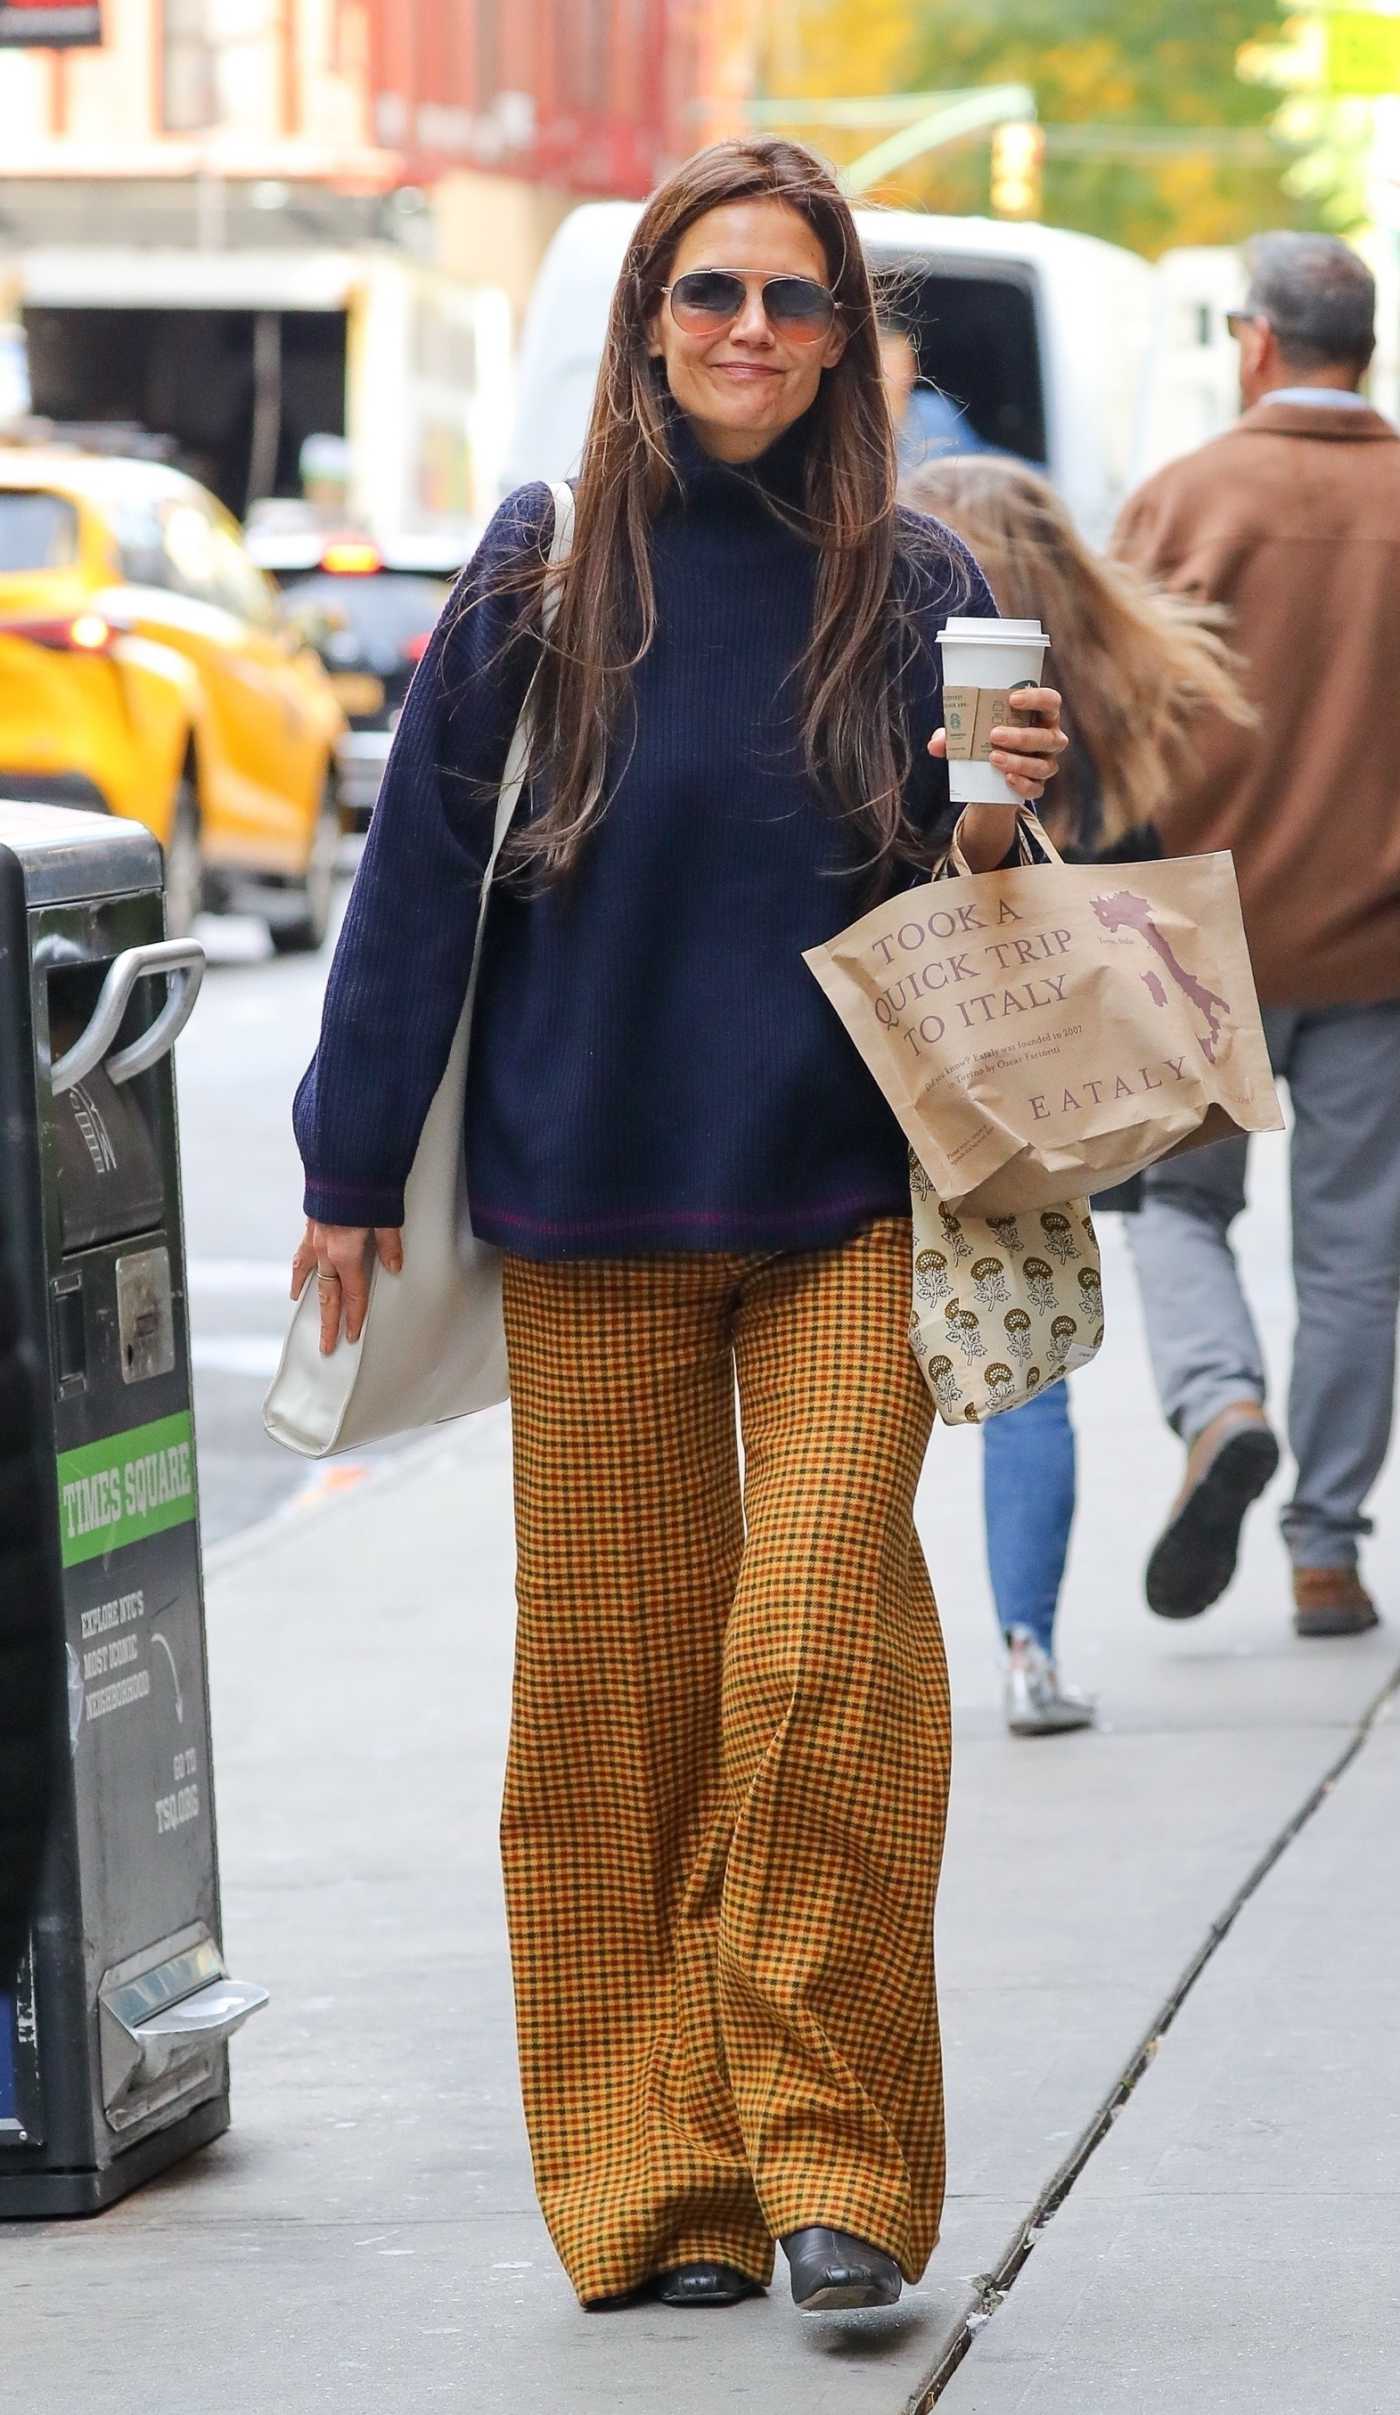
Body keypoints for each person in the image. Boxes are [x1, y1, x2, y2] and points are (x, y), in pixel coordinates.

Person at [290, 138, 1070, 2319]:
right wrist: (349, 1173)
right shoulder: (548, 564)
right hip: (593, 1200)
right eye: (712, 292)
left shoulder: (910, 579)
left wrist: (1010, 801)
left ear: (843, 342)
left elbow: (987, 912)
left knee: (819, 1656)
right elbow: (411, 879)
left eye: (792, 302)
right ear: (649, 316)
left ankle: (834, 2168)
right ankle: (660, 2190)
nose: (748, 333)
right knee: (614, 1706)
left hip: (839, 1201)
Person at [904, 454, 1253, 1730]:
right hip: (1107, 1047)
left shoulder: (944, 675)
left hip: (960, 1039)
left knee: (945, 1365)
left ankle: (961, 1641)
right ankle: (1028, 1650)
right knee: (1055, 1339)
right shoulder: (1140, 678)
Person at [1112, 231, 1400, 1639]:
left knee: (1176, 1208)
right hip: (1382, 951)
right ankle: (1327, 1549)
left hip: (1193, 935)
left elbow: (1106, 717)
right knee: (1357, 1250)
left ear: (1258, 343)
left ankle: (1220, 1400)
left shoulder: (1179, 500)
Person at [878, 316, 985, 477]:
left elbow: (977, 457)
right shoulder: (851, 418)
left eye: (908, 359)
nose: (906, 370)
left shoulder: (934, 409)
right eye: (892, 362)